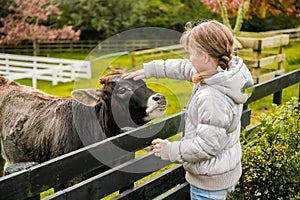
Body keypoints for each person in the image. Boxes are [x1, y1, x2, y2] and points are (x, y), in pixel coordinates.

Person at [123, 20, 253, 200]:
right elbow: (184, 67)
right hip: (223, 173)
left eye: (191, 54)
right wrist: (152, 69)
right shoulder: (223, 72)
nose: (189, 59)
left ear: (205, 57)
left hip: (209, 187)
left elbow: (207, 146)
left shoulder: (212, 97)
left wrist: (170, 149)